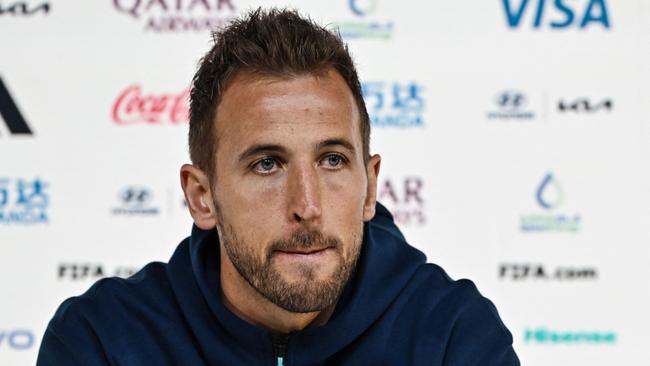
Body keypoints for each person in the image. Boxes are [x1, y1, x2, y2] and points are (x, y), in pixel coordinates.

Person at [37, 8, 519, 366]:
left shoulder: (455, 337)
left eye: (332, 160)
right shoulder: (101, 341)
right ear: (202, 197)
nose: (306, 206)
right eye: (267, 165)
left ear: (370, 187)